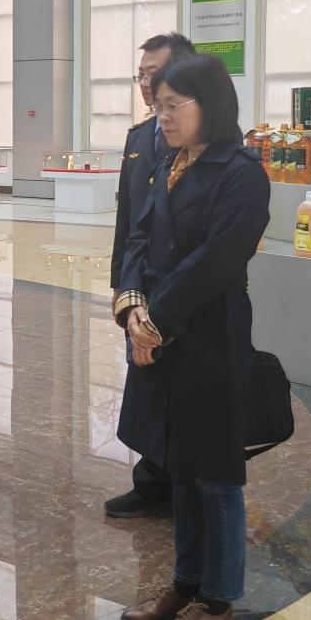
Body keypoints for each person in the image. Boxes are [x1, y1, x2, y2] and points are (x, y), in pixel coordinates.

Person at [114, 52, 270, 620]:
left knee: (216, 475)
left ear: (212, 104)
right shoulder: (168, 163)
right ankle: (185, 584)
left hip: (210, 335)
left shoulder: (242, 172)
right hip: (161, 331)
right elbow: (138, 237)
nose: (164, 116)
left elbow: (217, 260)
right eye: (159, 106)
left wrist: (156, 320)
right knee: (181, 466)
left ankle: (218, 601)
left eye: (175, 105)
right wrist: (132, 307)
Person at [106, 31, 194, 519]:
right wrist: (122, 285)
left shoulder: (208, 141)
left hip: (184, 290)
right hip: (140, 286)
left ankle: (185, 482)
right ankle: (151, 479)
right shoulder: (139, 138)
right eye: (140, 75)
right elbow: (128, 220)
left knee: (183, 386)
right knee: (144, 379)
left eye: (153, 73)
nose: (145, 83)